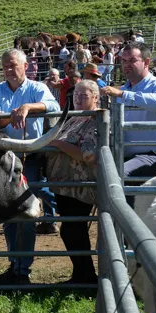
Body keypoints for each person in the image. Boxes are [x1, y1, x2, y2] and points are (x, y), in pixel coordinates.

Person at [0, 48, 61, 283]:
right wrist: (11, 115)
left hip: (30, 155)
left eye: (13, 65)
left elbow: (52, 107)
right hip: (5, 158)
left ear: (25, 66)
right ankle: (15, 264)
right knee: (9, 213)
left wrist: (27, 107)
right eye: (5, 65)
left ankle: (22, 269)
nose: (8, 69)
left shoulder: (37, 88)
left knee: (24, 212)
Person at [45, 80, 100, 284]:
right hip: (64, 185)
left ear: (95, 97)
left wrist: (58, 144)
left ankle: (85, 276)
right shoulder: (74, 118)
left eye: (84, 95)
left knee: (74, 228)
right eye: (76, 95)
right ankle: (81, 274)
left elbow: (88, 155)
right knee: (71, 229)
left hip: (81, 185)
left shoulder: (94, 120)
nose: (78, 99)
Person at [99, 44, 156, 182]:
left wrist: (123, 94)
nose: (126, 65)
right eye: (124, 61)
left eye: (132, 60)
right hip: (125, 154)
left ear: (146, 62)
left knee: (117, 176)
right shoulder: (122, 90)